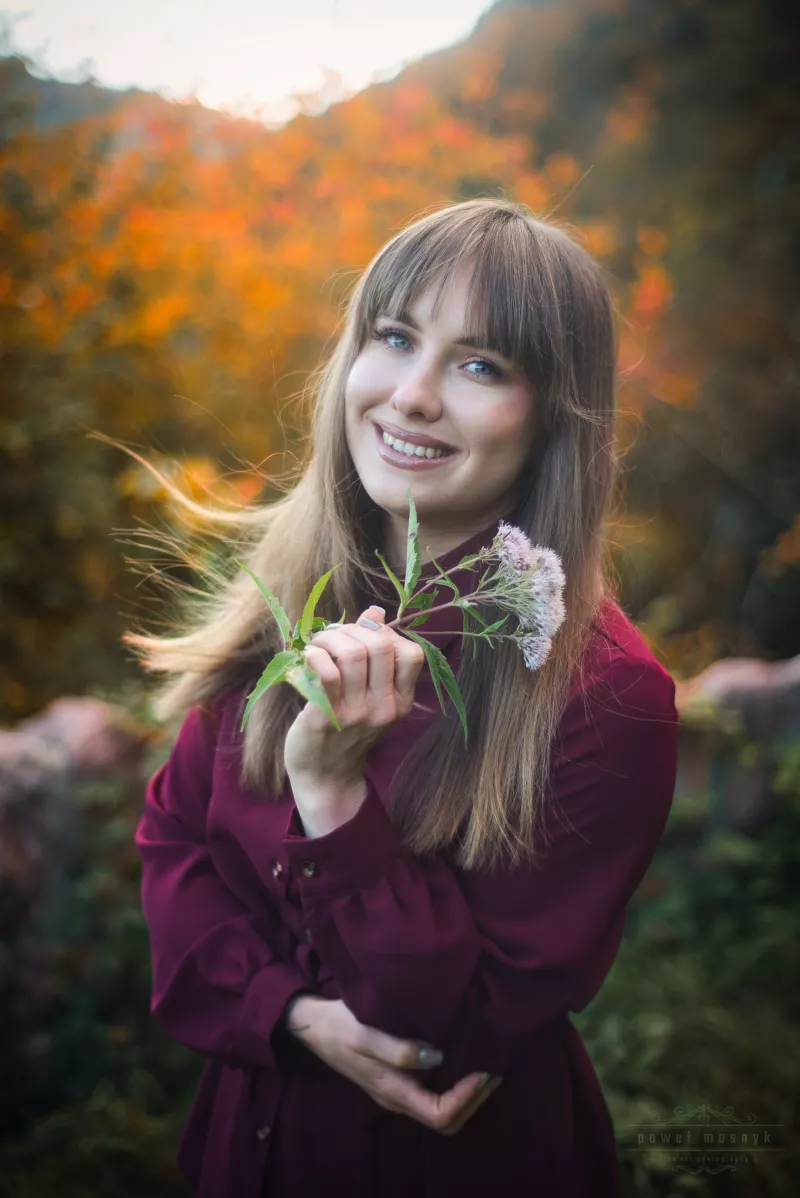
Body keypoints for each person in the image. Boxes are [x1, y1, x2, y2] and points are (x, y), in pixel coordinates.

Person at [130, 197, 678, 1198]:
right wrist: (291, 1014)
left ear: (552, 412)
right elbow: (173, 855)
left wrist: (334, 802)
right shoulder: (284, 602)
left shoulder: (607, 696)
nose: (412, 395)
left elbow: (446, 1030)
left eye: (480, 365)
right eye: (393, 337)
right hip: (243, 1152)